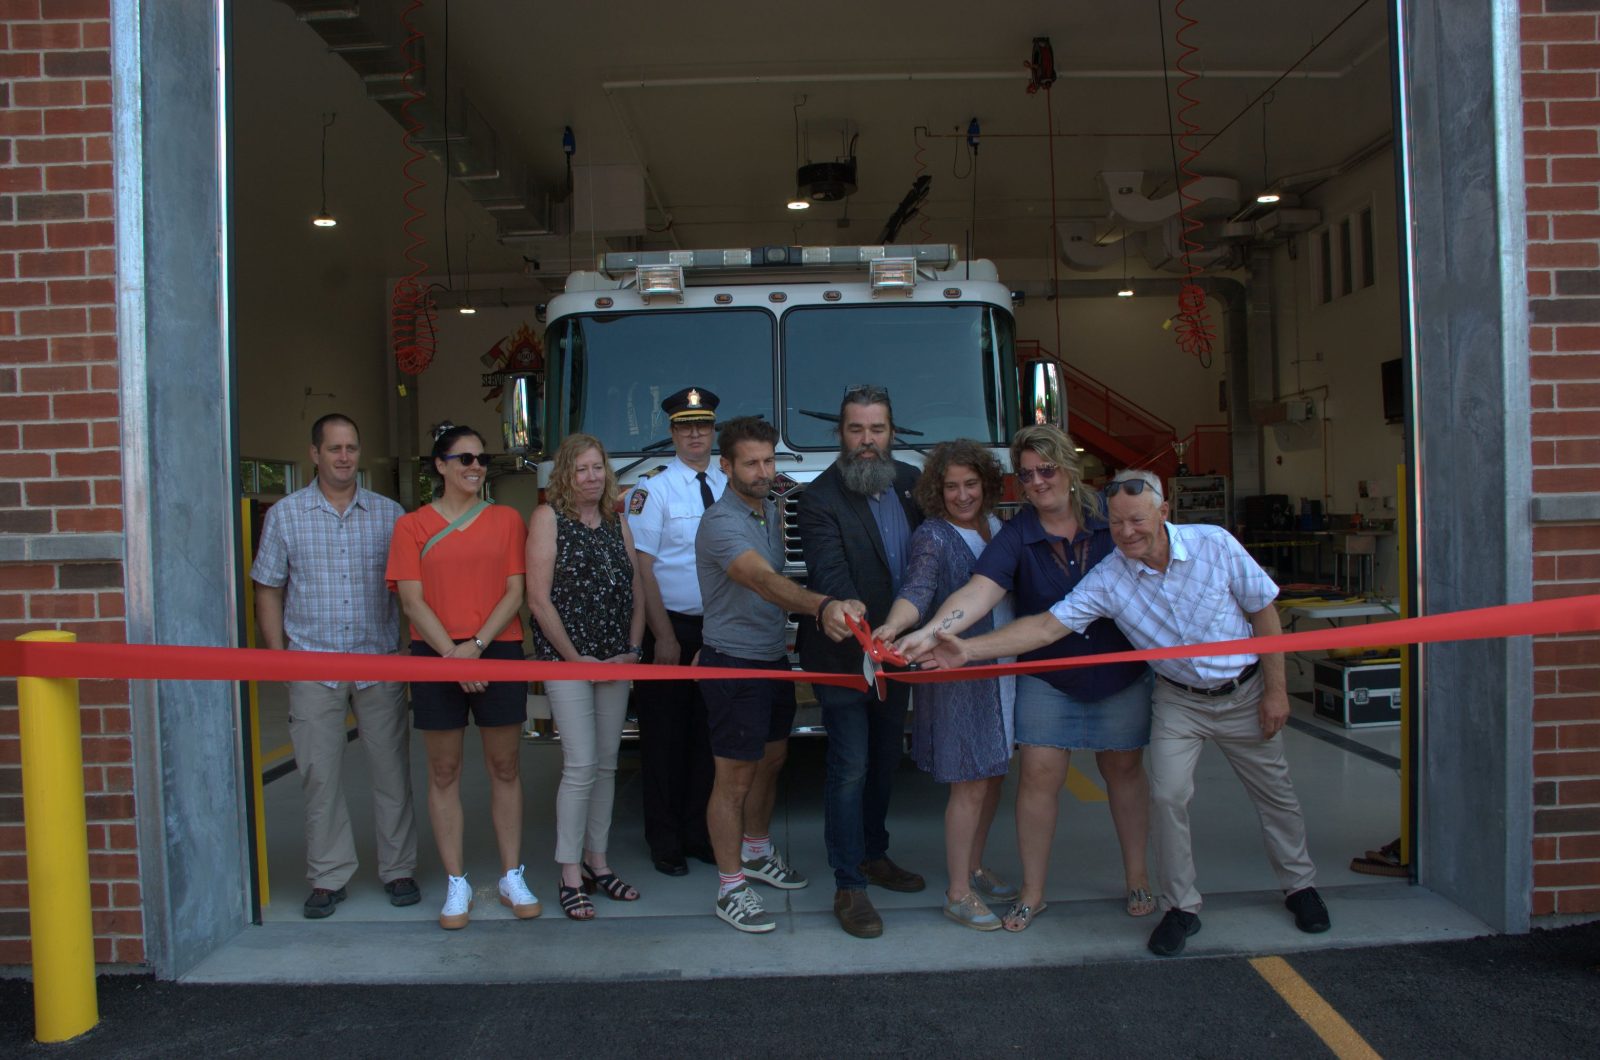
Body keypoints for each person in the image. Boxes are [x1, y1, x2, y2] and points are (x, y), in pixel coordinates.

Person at [909, 468, 1331, 957]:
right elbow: (1045, 627)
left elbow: (1264, 610)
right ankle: (1181, 908)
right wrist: (968, 650)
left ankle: (1301, 887)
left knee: (1275, 794)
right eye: (1117, 523)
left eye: (1138, 520)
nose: (1128, 533)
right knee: (1169, 797)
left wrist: (1276, 692)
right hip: (1179, 700)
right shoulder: (1110, 576)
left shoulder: (1214, 544)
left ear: (1164, 513)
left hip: (1243, 692)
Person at [897, 426, 1154, 932]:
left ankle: (1138, 877)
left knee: (1124, 774)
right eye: (1028, 474)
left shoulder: (1109, 516)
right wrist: (931, 633)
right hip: (1047, 677)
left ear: (1070, 467)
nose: (1037, 482)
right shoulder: (1016, 534)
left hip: (1119, 671)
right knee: (1037, 778)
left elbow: (1160, 556)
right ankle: (1033, 893)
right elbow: (978, 591)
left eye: (1047, 469)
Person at [696, 416, 865, 933]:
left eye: (768, 460)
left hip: (770, 659)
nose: (763, 471)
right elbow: (767, 583)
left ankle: (755, 852)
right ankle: (729, 889)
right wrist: (825, 606)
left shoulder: (768, 510)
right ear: (724, 466)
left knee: (772, 760)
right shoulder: (721, 522)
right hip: (733, 663)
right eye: (750, 462)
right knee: (733, 779)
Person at [251, 413, 419, 919]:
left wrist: (408, 652)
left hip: (379, 662)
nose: (344, 456)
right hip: (312, 663)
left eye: (351, 447)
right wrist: (279, 656)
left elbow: (408, 588)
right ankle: (328, 876)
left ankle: (399, 869)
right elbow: (268, 586)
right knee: (319, 775)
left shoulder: (390, 515)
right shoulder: (285, 515)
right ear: (315, 454)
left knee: (391, 772)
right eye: (334, 448)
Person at [386, 423, 539, 931]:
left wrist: (473, 649)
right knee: (444, 771)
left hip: (495, 648)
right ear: (441, 466)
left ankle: (511, 874)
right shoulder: (411, 527)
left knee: (505, 767)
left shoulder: (506, 520)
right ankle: (457, 881)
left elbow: (516, 591)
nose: (475, 467)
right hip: (435, 653)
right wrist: (453, 653)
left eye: (481, 459)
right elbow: (411, 599)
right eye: (464, 459)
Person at [796, 383, 926, 940]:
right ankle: (849, 884)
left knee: (883, 759)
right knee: (849, 766)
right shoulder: (818, 497)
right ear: (840, 434)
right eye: (856, 430)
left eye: (877, 429)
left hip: (899, 655)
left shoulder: (913, 485)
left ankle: (875, 853)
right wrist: (853, 618)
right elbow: (830, 575)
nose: (867, 441)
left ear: (891, 432)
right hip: (843, 656)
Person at [873, 440, 1016, 931]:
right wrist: (894, 626)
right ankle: (958, 892)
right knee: (970, 783)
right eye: (951, 486)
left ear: (987, 484)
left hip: (1001, 670)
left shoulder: (999, 528)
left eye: (970, 484)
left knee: (993, 774)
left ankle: (974, 868)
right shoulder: (933, 536)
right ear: (936, 489)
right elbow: (916, 590)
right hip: (956, 677)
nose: (962, 495)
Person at [527, 433, 647, 920]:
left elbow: (637, 587)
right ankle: (569, 871)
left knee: (606, 763)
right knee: (579, 766)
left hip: (615, 662)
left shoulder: (619, 523)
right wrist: (577, 658)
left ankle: (599, 862)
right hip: (567, 663)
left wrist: (633, 650)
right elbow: (538, 599)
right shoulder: (547, 520)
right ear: (564, 475)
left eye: (598, 467)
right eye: (581, 469)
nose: (592, 477)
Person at [623, 386, 724, 877]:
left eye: (702, 424)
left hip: (722, 630)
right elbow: (644, 567)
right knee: (664, 740)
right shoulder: (653, 491)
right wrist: (662, 636)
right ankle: (664, 841)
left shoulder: (731, 485)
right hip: (672, 628)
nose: (695, 433)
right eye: (685, 426)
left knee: (710, 738)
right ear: (672, 433)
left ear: (713, 429)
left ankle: (700, 833)